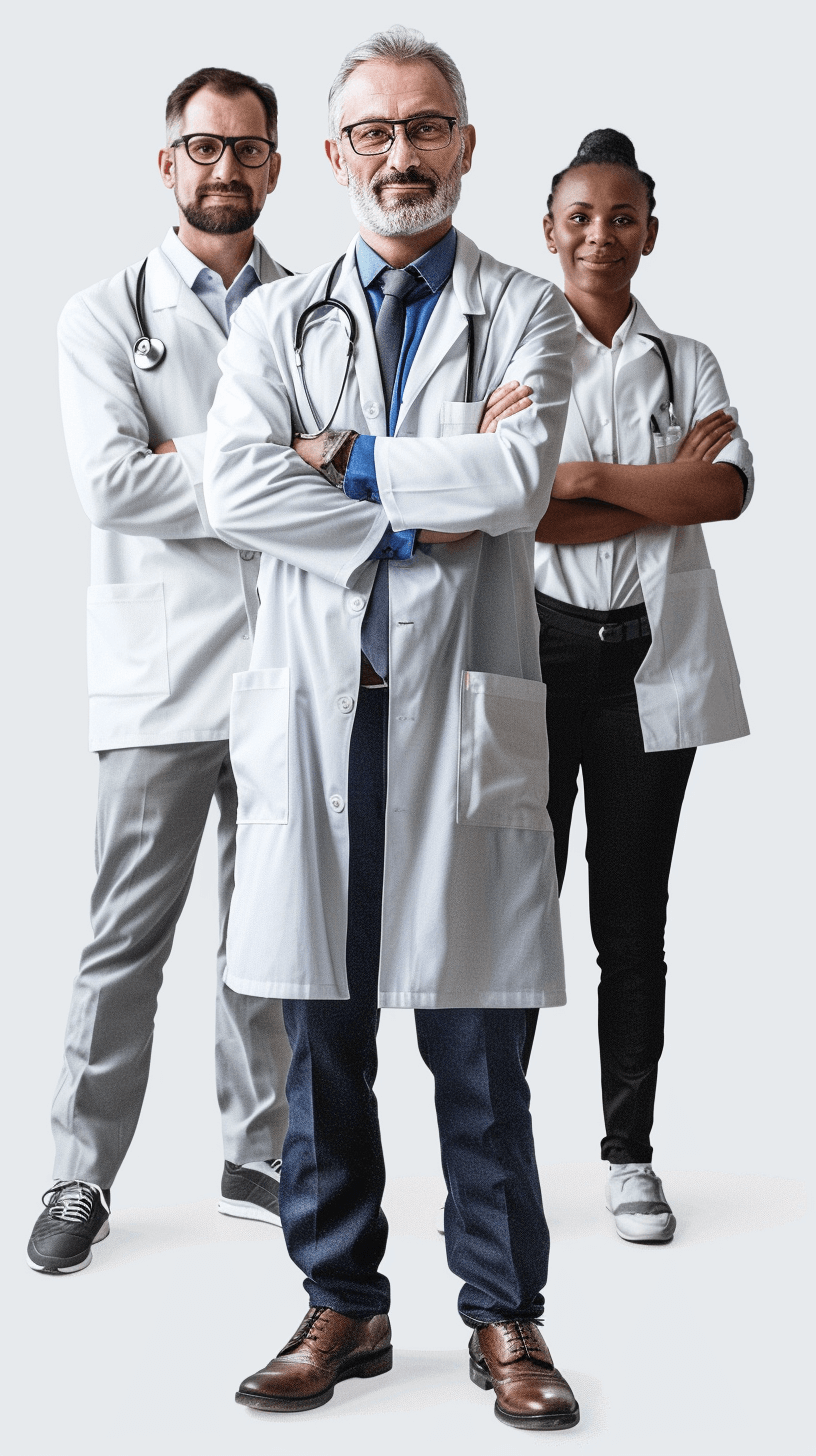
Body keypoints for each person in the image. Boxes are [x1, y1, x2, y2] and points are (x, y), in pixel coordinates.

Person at [204, 23, 581, 1436]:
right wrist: (417, 512)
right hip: (314, 719)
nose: (400, 155)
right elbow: (237, 492)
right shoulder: (271, 321)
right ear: (335, 156)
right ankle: (342, 1303)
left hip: (460, 715)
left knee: (478, 1048)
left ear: (467, 145)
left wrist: (341, 457)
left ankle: (504, 1318)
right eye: (372, 132)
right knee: (325, 1033)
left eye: (426, 128)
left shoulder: (528, 312)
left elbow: (520, 474)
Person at [27, 67, 293, 1277]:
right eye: (201, 148)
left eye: (245, 151)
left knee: (271, 930)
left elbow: (343, 480)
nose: (222, 170)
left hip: (291, 668)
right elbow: (111, 486)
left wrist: (201, 459)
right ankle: (80, 1170)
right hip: (159, 673)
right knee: (123, 937)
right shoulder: (101, 314)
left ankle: (260, 1150)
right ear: (166, 163)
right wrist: (264, 467)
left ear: (277, 166)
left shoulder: (314, 310)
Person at [527, 129, 752, 1242]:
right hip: (536, 650)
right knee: (516, 911)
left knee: (632, 918)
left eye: (622, 218)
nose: (599, 236)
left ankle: (628, 1155)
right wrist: (651, 484)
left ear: (650, 233)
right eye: (580, 216)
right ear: (550, 227)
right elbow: (522, 511)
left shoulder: (689, 359)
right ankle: (502, 1155)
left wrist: (591, 478)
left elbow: (724, 491)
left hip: (646, 662)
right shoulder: (516, 353)